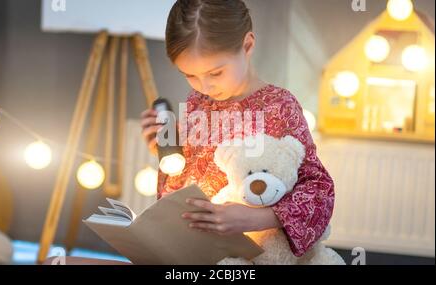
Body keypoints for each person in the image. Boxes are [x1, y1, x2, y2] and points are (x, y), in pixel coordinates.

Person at [140, 0, 335, 258]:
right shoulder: (196, 102)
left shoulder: (279, 107)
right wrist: (166, 145)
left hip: (252, 256)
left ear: (247, 45)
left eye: (216, 73)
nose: (205, 86)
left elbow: (319, 193)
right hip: (195, 251)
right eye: (190, 75)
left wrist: (255, 218)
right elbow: (188, 180)